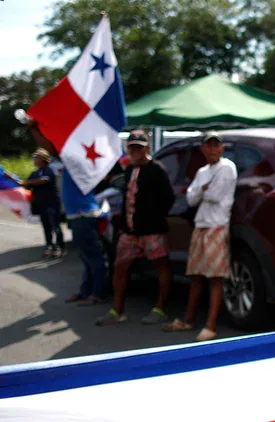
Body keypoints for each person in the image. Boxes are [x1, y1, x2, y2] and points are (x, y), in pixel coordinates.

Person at [21, 118, 107, 305]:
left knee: (92, 257)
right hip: (79, 215)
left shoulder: (78, 162)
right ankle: (86, 291)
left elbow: (50, 148)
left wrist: (35, 130)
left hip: (83, 215)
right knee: (86, 256)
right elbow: (51, 149)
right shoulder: (77, 162)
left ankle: (97, 294)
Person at [96, 130, 176, 326]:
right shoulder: (130, 169)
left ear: (147, 148)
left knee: (161, 266)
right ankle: (117, 310)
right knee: (120, 267)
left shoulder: (157, 169)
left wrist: (153, 217)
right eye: (132, 147)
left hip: (153, 230)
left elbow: (168, 199)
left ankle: (160, 308)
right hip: (130, 231)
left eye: (139, 147)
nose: (135, 151)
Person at [162, 131, 236, 342]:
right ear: (203, 149)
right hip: (201, 226)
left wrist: (202, 190)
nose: (212, 149)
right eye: (208, 145)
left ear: (222, 148)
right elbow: (191, 198)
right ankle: (189, 319)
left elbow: (213, 195)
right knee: (195, 276)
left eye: (216, 145)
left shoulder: (228, 167)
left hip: (216, 227)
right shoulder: (203, 171)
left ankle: (210, 326)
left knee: (214, 278)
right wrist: (203, 189)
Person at [18, 148, 65, 258]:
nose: (34, 160)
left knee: (55, 226)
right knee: (46, 226)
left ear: (43, 159)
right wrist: (10, 179)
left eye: (36, 157)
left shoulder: (49, 170)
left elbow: (44, 180)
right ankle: (49, 245)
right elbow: (25, 184)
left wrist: (27, 182)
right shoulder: (35, 173)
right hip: (41, 203)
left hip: (52, 203)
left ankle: (60, 246)